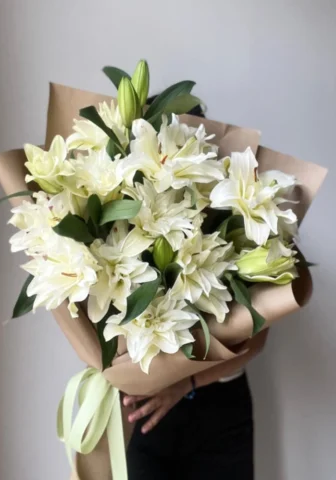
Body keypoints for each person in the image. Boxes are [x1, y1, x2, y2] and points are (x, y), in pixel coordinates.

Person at [125, 99, 268, 480]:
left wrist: (186, 382)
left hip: (220, 410)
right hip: (145, 406)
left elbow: (257, 338)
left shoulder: (238, 217)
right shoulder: (124, 218)